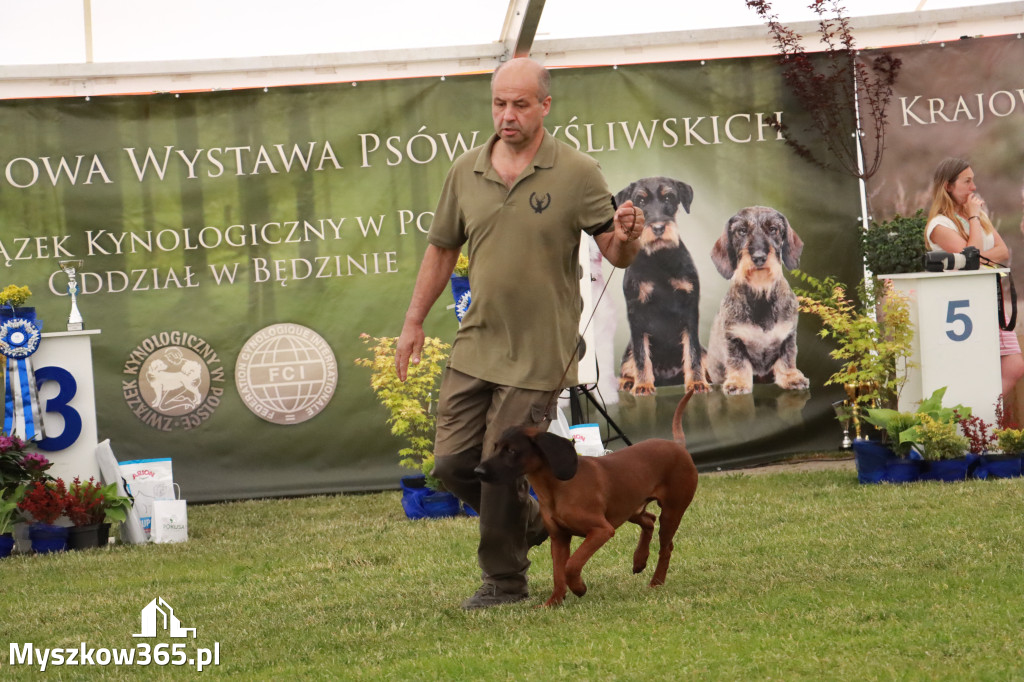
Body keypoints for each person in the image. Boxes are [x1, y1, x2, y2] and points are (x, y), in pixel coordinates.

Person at [395, 57, 645, 610]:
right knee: (454, 465)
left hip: (540, 354)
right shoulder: (466, 170)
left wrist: (628, 237)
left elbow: (616, 252)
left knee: (498, 466)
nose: (507, 115)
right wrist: (413, 322)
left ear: (545, 106)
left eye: (520, 104)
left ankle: (504, 582)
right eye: (499, 104)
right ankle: (534, 521)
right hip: (476, 342)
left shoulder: (578, 171)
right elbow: (441, 250)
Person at [925, 157, 1024, 400]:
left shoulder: (977, 216)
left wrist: (977, 255)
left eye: (974, 181)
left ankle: (982, 414)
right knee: (976, 366)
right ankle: (977, 418)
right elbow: (971, 259)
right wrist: (974, 219)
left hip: (991, 300)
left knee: (1014, 365)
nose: (974, 188)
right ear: (948, 186)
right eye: (967, 182)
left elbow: (1002, 253)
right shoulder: (940, 224)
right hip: (963, 306)